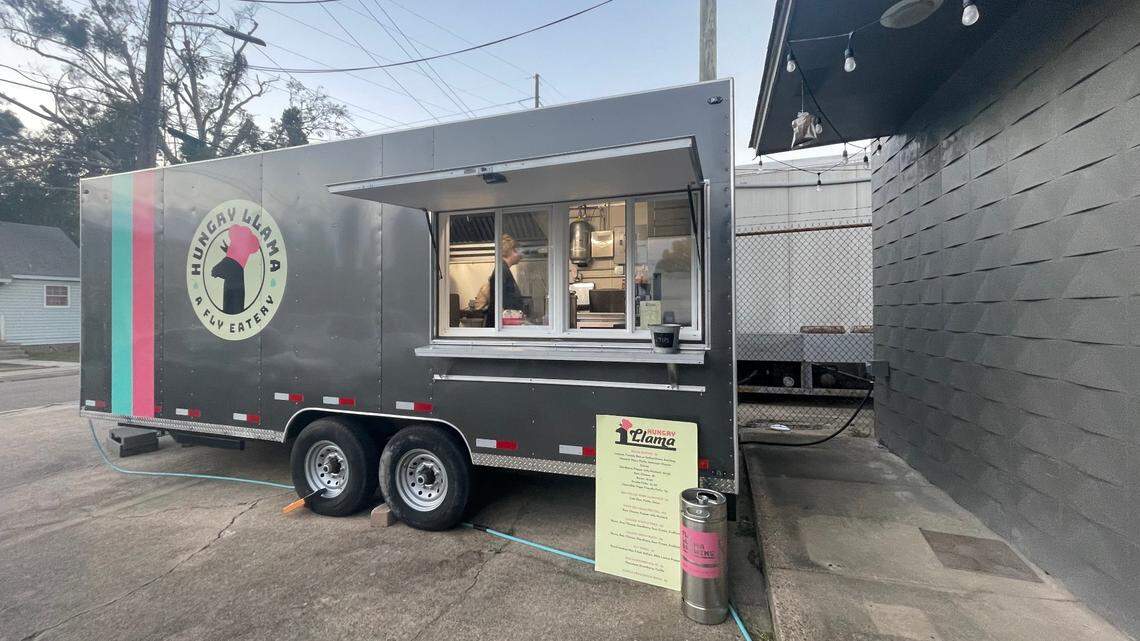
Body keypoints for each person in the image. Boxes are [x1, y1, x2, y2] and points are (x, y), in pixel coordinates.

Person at [483, 234, 525, 327]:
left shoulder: (504, 269)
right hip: (500, 326)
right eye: (517, 250)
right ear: (510, 251)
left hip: (503, 325)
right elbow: (498, 302)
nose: (521, 255)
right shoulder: (501, 270)